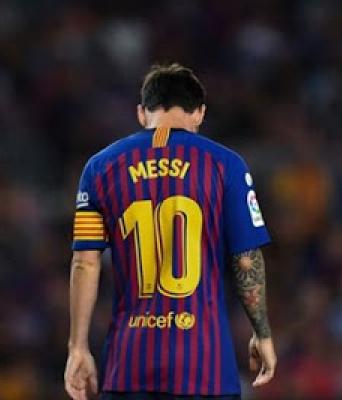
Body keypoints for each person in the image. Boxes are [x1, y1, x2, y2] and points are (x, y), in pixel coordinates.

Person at [65, 63, 276, 400]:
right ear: (200, 113)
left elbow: (85, 262)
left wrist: (78, 346)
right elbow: (246, 258)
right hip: (205, 370)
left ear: (141, 113)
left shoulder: (100, 167)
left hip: (128, 367)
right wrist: (261, 333)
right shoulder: (226, 165)